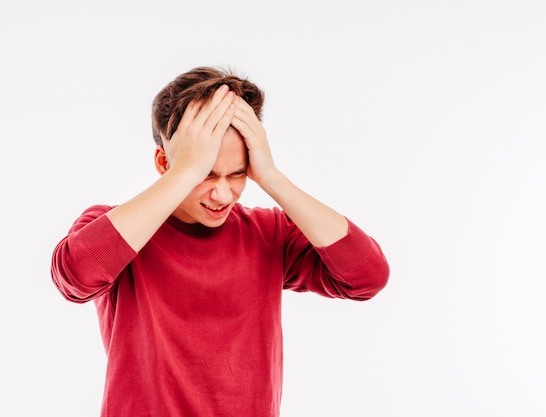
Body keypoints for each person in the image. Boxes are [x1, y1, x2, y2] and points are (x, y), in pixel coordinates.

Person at [51, 66, 390, 417]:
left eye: (238, 173)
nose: (223, 193)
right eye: (206, 173)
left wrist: (271, 176)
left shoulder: (269, 233)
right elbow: (75, 277)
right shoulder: (119, 227)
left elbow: (367, 277)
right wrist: (183, 173)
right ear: (164, 161)